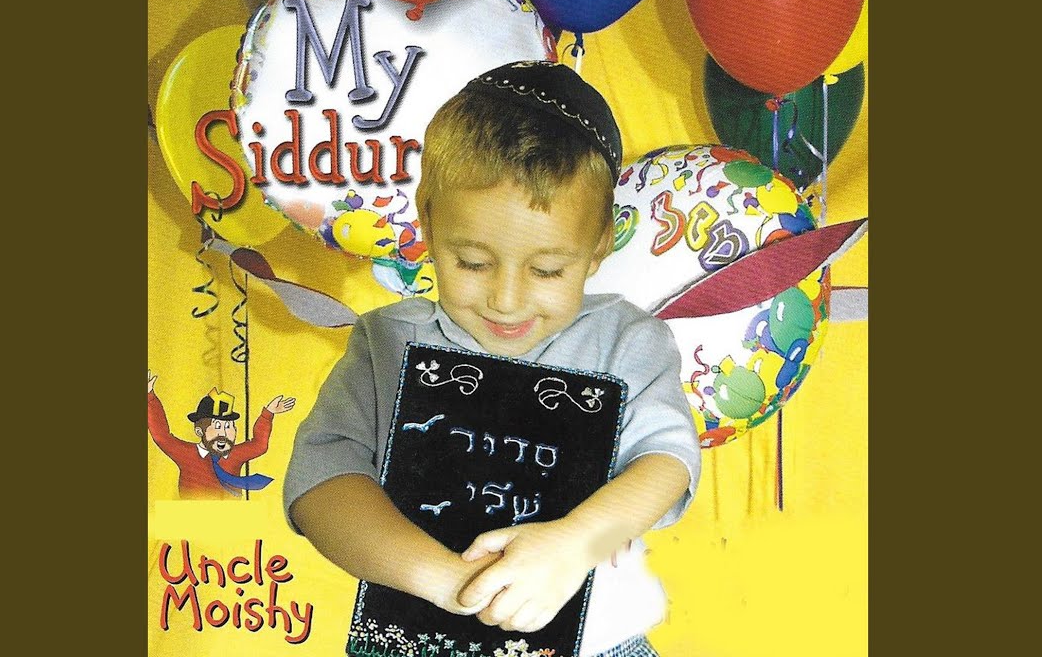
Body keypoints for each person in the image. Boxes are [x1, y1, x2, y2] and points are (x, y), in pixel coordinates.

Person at [284, 61, 701, 657]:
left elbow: (667, 463)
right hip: (417, 643)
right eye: (473, 263)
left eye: (547, 270)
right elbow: (320, 487)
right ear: (429, 224)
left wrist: (575, 545)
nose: (506, 300)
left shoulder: (627, 342)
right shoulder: (386, 344)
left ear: (599, 245)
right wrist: (453, 585)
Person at [148, 370, 296, 499]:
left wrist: (267, 414)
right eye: (217, 427)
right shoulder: (187, 454)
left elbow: (259, 445)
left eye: (229, 427)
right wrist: (150, 397)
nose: (224, 434)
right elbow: (162, 436)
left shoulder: (235, 455)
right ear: (199, 431)